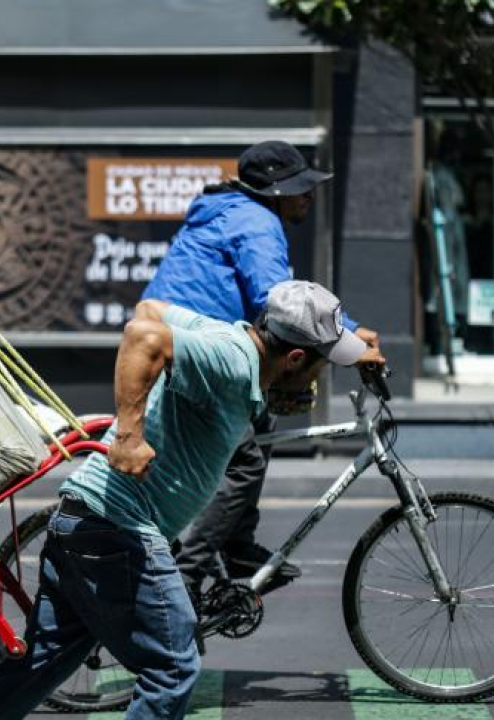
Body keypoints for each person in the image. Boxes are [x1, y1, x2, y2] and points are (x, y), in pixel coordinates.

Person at [0, 281, 380, 720]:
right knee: (173, 666)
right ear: (293, 359)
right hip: (118, 527)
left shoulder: (226, 339)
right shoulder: (232, 361)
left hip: (83, 521)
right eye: (320, 365)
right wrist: (129, 436)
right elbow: (143, 335)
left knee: (42, 661)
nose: (319, 376)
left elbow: (151, 306)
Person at [140, 140, 382, 600]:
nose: (308, 197)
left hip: (185, 343)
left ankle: (235, 544)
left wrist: (349, 331)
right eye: (300, 189)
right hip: (191, 351)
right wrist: (347, 342)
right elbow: (278, 302)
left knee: (260, 421)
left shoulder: (233, 210)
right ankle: (186, 579)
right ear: (273, 193)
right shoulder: (256, 223)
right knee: (244, 458)